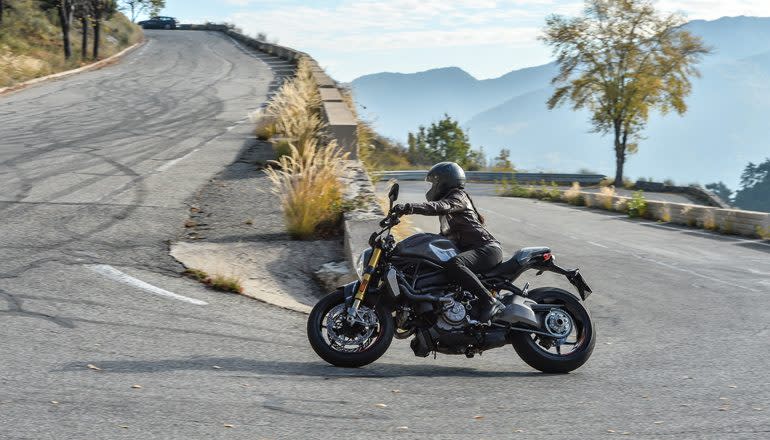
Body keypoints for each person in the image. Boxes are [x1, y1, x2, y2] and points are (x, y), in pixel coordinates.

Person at [393, 162, 505, 323]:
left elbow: (441, 206)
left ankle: (489, 301)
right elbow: (443, 240)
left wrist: (410, 207)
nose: (431, 187)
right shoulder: (449, 210)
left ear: (444, 181)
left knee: (455, 264)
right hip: (477, 251)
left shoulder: (458, 196)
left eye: (433, 183)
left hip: (487, 249)